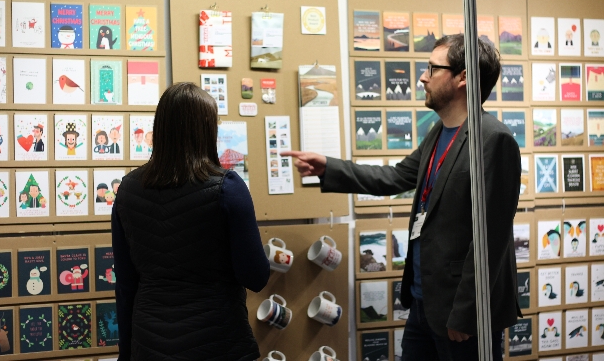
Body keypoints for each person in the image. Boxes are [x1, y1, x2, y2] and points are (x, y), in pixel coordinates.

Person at [282, 34, 521, 360]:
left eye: (432, 68)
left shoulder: (494, 140)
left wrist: (467, 312)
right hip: (424, 303)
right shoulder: (439, 132)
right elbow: (395, 177)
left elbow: (491, 240)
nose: (423, 77)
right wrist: (329, 168)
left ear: (463, 77)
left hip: (461, 314)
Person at [112, 82, 269, 361]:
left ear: (160, 129)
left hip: (150, 344)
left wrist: (127, 353)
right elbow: (255, 277)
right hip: (219, 341)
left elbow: (125, 285)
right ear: (207, 130)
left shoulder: (128, 189)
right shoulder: (227, 188)